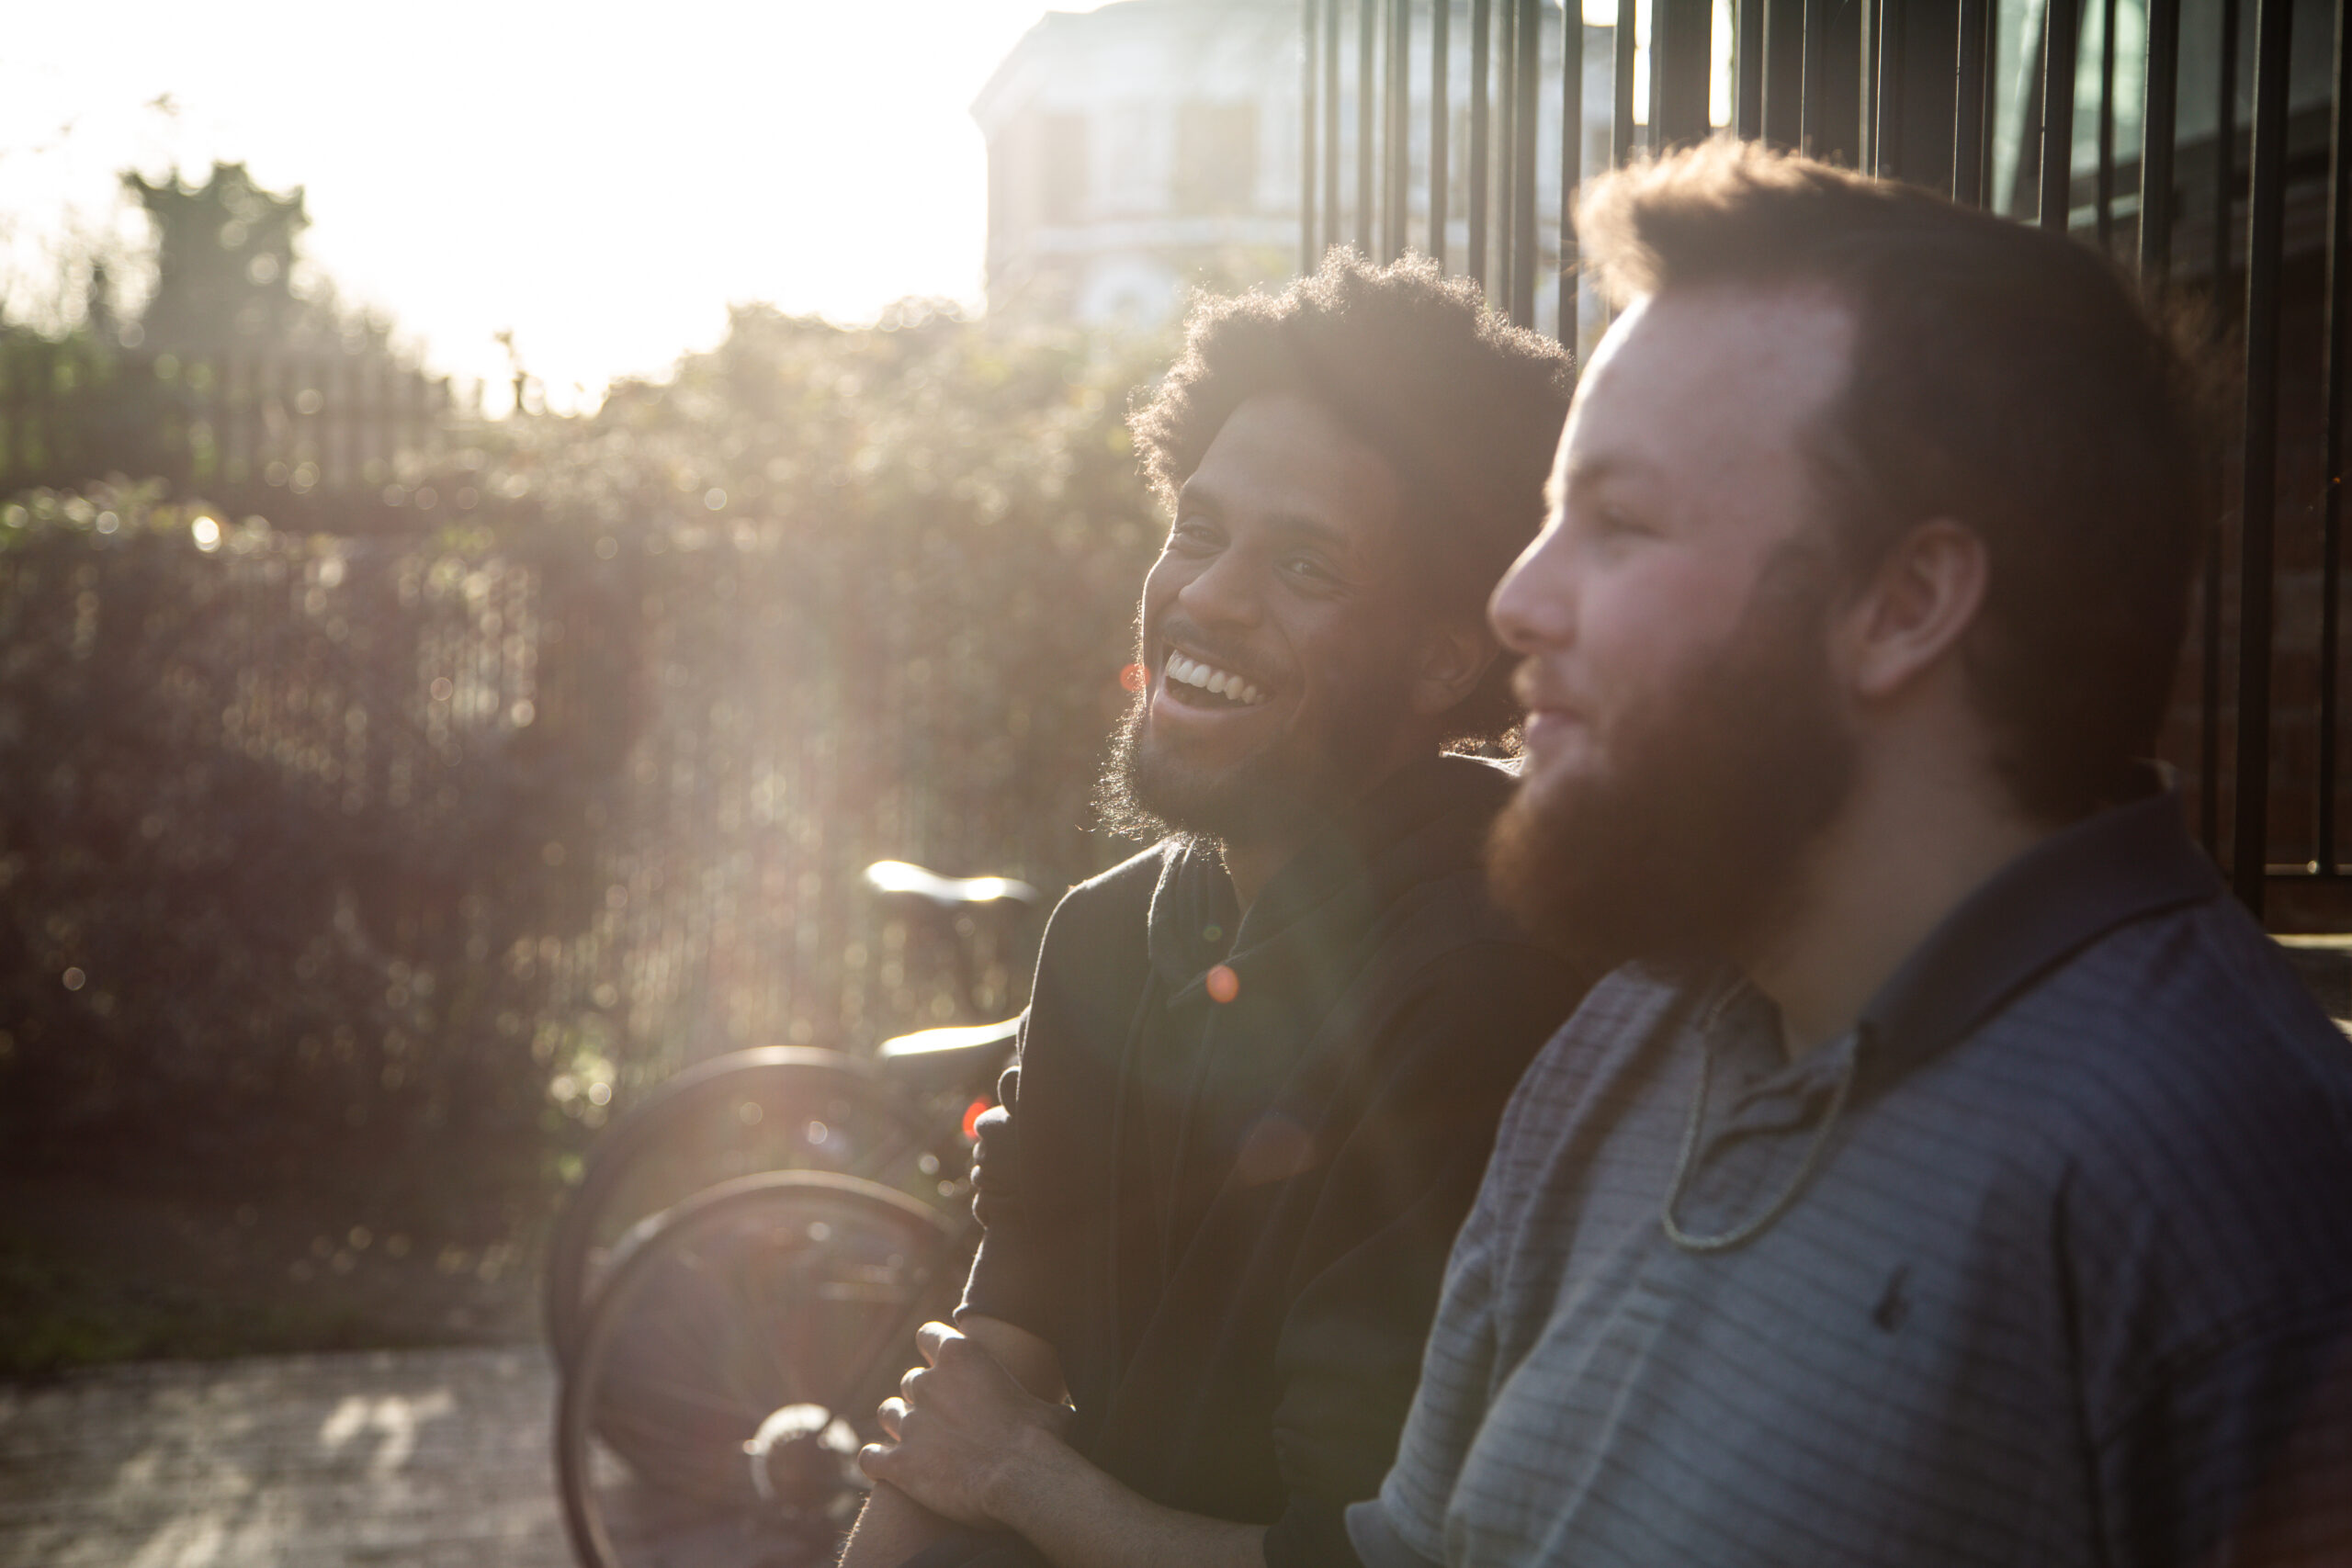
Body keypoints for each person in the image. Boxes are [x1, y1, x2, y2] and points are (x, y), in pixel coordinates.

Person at [1341, 140, 2352, 1568]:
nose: (1516, 597)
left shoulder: (2228, 1197)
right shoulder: (1626, 1039)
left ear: (1906, 602)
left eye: (1618, 524)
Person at [842, 254, 1589, 1568]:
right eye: (1199, 528)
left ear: (1444, 655)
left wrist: (1027, 1481)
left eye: (1305, 566)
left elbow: (1357, 1555)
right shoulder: (1105, 933)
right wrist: (984, 1467)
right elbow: (981, 1378)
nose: (1208, 595)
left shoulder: (1482, 985)